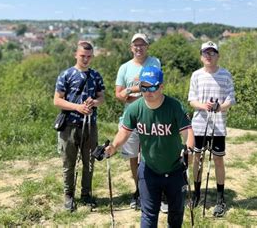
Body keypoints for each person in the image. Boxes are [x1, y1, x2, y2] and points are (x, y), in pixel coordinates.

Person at [106, 66, 194, 228]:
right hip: (149, 170)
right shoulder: (135, 108)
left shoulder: (174, 106)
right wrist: (112, 148)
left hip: (175, 168)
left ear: (161, 86)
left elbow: (188, 132)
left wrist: (188, 148)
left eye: (152, 87)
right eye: (143, 87)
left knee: (176, 214)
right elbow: (123, 133)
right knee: (148, 214)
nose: (148, 91)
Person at [54, 40, 105, 211]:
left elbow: (102, 98)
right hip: (69, 125)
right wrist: (78, 107)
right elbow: (57, 100)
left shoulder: (96, 75)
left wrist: (94, 103)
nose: (86, 59)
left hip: (90, 125)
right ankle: (69, 195)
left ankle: (86, 194)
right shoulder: (66, 75)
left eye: (89, 56)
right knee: (68, 163)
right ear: (76, 54)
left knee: (89, 161)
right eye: (83, 56)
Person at [188, 41, 236, 217]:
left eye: (212, 53)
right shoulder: (196, 75)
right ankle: (196, 194)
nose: (209, 56)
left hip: (219, 126)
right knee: (197, 158)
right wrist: (204, 106)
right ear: (201, 56)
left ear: (218, 55)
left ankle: (220, 198)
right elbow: (191, 100)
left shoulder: (225, 74)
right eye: (206, 53)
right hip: (199, 124)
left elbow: (231, 98)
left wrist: (220, 107)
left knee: (218, 160)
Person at [115, 33, 161, 209]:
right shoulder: (124, 68)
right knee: (133, 157)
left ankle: (155, 191)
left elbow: (155, 86)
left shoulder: (154, 62)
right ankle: (139, 191)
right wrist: (132, 93)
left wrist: (133, 89)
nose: (139, 48)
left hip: (152, 117)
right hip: (131, 118)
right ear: (131, 47)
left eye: (142, 44)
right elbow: (119, 94)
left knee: (152, 156)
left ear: (147, 46)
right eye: (136, 45)